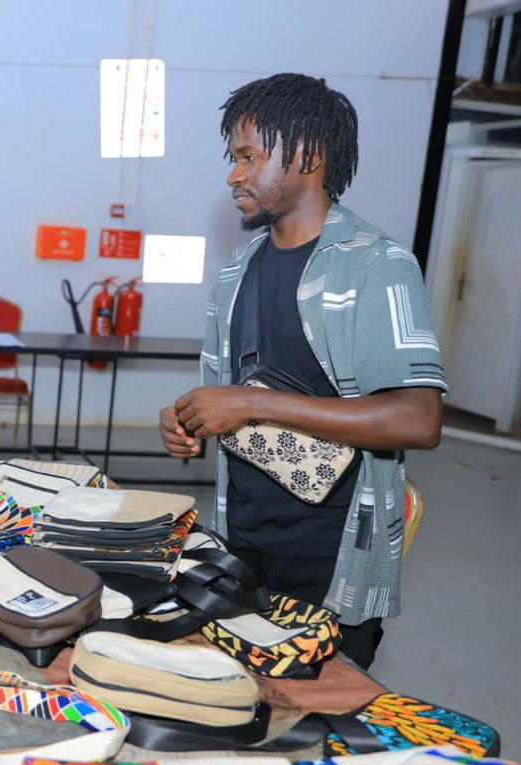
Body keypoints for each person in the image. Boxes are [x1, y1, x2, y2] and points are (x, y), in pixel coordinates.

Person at [158, 73, 446, 670]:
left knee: (315, 724)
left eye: (248, 157)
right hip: (241, 543)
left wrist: (248, 405)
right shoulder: (238, 271)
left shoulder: (377, 264)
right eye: (232, 158)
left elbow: (418, 420)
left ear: (309, 156)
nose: (233, 174)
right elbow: (233, 397)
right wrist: (192, 420)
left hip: (331, 561)